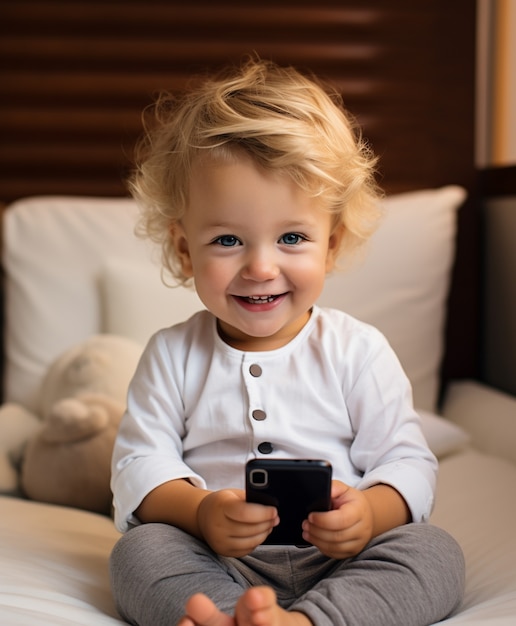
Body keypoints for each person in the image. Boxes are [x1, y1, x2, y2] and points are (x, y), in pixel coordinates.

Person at [109, 58, 465, 626]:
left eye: (293, 237)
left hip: (342, 561)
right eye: (228, 239)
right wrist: (200, 514)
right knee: (139, 552)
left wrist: (368, 516)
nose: (261, 266)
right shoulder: (171, 354)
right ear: (183, 250)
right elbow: (139, 464)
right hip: (218, 560)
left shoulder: (358, 349)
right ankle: (230, 617)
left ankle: (308, 622)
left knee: (433, 552)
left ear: (331, 244)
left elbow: (406, 461)